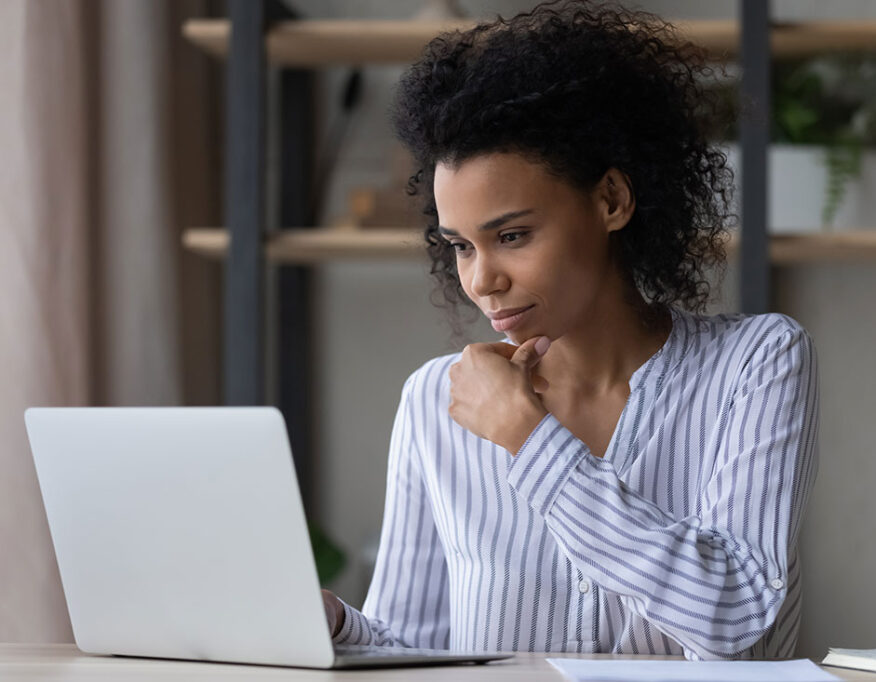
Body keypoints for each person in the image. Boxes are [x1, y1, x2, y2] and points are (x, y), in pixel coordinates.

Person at [321, 0, 819, 660]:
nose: (481, 280)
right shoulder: (434, 403)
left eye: (513, 235)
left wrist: (529, 441)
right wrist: (333, 626)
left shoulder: (756, 365)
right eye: (461, 246)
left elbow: (733, 615)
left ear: (611, 200)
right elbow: (412, 651)